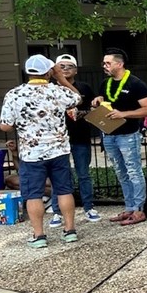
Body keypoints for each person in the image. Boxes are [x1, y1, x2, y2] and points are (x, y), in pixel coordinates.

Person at [0, 55, 82, 247]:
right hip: (59, 150)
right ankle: (70, 230)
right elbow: (77, 99)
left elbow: (5, 126)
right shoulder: (58, 91)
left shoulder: (15, 94)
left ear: (28, 72)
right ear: (48, 72)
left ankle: (39, 236)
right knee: (64, 190)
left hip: (31, 153)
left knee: (33, 194)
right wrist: (61, 78)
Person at [90, 47, 147, 226]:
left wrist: (123, 114)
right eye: (103, 63)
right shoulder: (106, 83)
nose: (104, 65)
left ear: (120, 64)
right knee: (121, 171)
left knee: (133, 170)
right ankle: (129, 206)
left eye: (108, 63)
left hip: (128, 134)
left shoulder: (136, 84)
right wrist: (97, 102)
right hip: (109, 134)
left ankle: (139, 209)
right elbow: (105, 101)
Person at [48, 54, 101, 226]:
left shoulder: (84, 88)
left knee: (83, 174)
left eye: (69, 66)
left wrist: (81, 114)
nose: (65, 69)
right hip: (57, 140)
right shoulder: (49, 89)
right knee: (59, 177)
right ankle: (57, 211)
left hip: (80, 137)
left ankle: (88, 207)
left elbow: (93, 111)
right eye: (61, 66)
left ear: (76, 70)